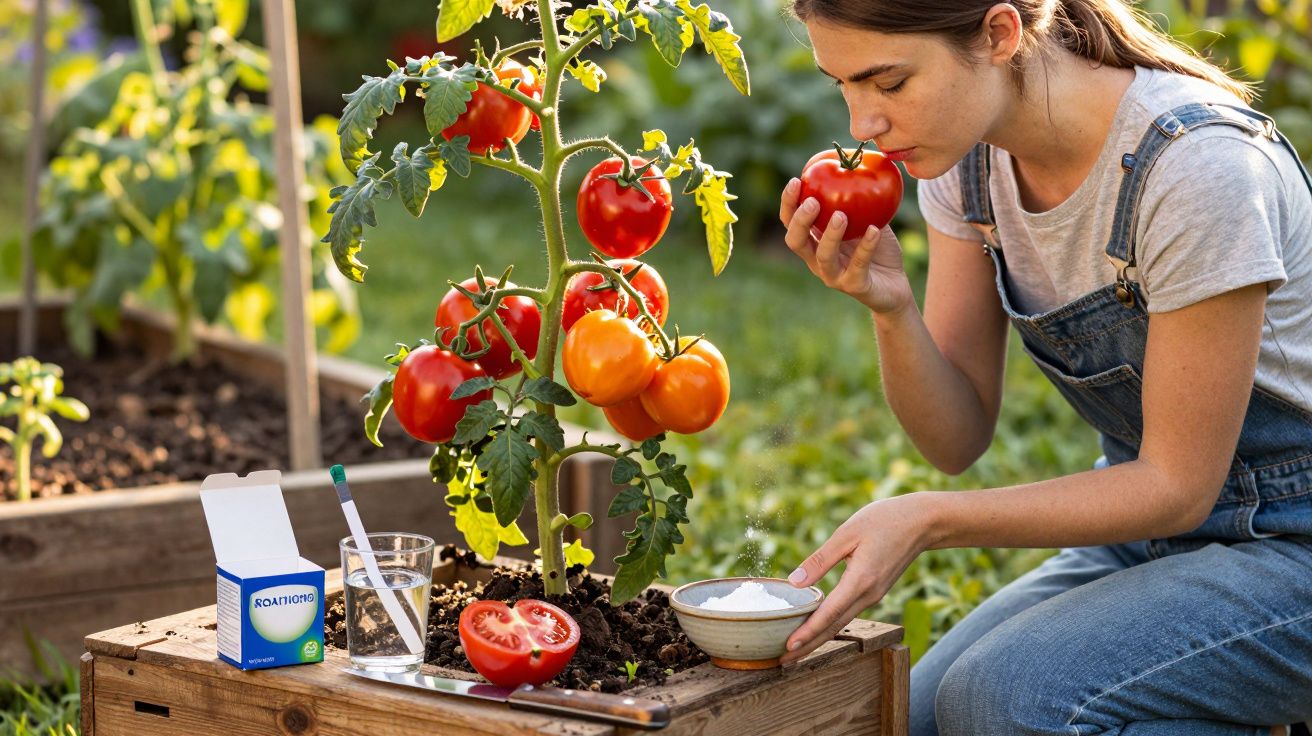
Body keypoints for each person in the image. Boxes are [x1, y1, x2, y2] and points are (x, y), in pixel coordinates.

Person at [775, 1, 1312, 734]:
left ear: (998, 35)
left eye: (889, 83)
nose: (862, 123)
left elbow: (1178, 487)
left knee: (1011, 700)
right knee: (919, 718)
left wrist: (928, 519)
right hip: (1159, 542)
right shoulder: (969, 162)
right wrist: (891, 307)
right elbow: (955, 438)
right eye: (843, 85)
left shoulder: (1196, 167)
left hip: (1294, 541)